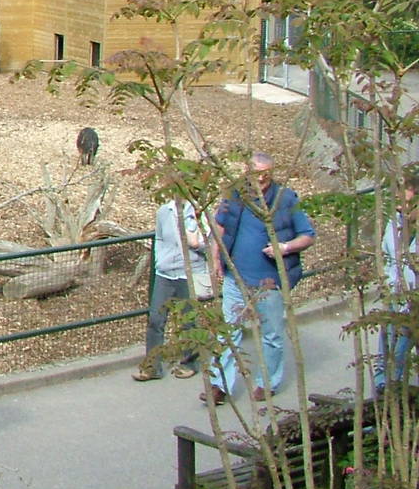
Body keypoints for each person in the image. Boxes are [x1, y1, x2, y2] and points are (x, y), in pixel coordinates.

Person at [204, 152, 315, 405]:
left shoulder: (285, 199)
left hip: (270, 282)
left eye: (266, 172)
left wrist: (284, 248)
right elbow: (219, 227)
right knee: (228, 332)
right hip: (236, 278)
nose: (262, 178)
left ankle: (268, 383)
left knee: (271, 334)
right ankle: (220, 385)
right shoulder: (235, 194)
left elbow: (307, 235)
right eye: (256, 172)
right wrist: (216, 258)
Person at [134, 198, 211, 381]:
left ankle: (189, 362)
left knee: (188, 321)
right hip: (165, 273)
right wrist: (160, 261)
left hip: (189, 273)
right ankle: (152, 367)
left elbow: (209, 243)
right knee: (155, 319)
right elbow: (159, 238)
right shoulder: (164, 212)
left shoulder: (199, 212)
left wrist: (196, 243)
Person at [373, 165, 419, 396]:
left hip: (414, 298)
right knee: (389, 340)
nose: (399, 197)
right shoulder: (394, 221)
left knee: (403, 342)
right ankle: (384, 385)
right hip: (393, 292)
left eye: (407, 192)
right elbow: (388, 254)